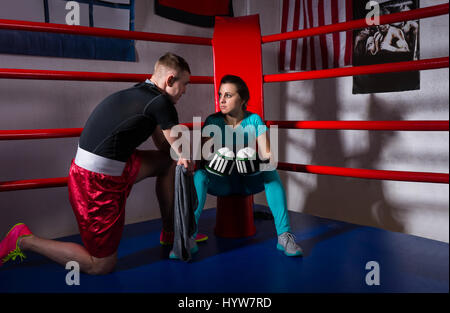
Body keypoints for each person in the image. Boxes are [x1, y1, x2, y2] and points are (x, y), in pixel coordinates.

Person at [0, 52, 202, 274]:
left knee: (167, 163)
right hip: (94, 182)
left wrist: (179, 155)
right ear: (170, 80)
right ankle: (24, 240)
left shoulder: (144, 93)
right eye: (185, 85)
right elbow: (178, 149)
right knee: (101, 265)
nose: (185, 91)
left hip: (119, 166)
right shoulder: (160, 102)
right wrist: (189, 158)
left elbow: (166, 147)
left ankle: (172, 232)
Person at [192, 75, 303, 257]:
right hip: (222, 183)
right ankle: (189, 236)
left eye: (228, 95)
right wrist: (215, 162)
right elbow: (200, 158)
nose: (221, 99)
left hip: (248, 181)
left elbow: (269, 156)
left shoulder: (254, 120)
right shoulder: (213, 120)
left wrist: (253, 161)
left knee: (270, 173)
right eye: (220, 94)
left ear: (242, 99)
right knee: (199, 176)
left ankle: (284, 236)